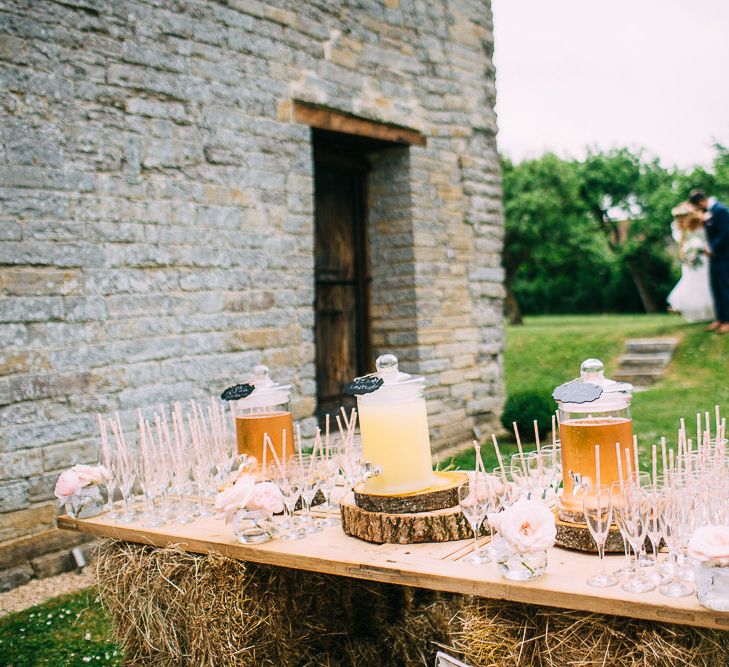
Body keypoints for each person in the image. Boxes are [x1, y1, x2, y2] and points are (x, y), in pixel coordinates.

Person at [666, 202, 715, 323]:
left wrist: (701, 249)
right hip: (689, 262)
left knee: (706, 285)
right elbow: (682, 245)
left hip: (703, 258)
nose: (682, 219)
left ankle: (711, 312)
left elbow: (707, 239)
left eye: (684, 216)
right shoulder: (680, 229)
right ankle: (692, 312)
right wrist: (685, 257)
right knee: (690, 284)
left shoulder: (701, 223)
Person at [688, 189, 729, 334]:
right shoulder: (708, 212)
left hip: (724, 256)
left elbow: (726, 232)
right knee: (715, 287)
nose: (696, 209)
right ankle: (719, 318)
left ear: (700, 202)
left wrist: (712, 247)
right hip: (714, 257)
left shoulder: (720, 210)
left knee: (725, 287)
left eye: (695, 206)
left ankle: (727, 321)